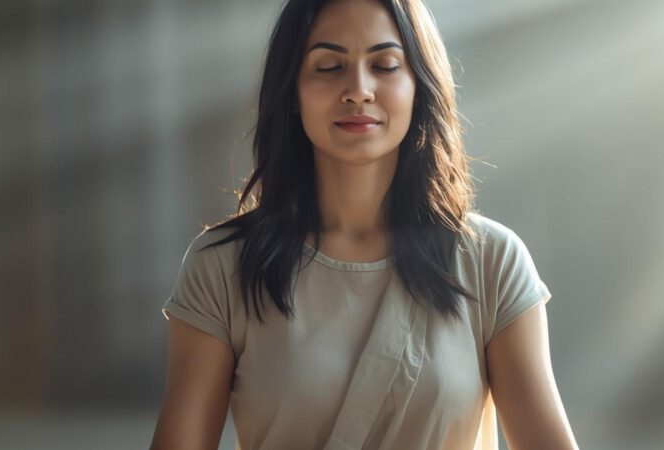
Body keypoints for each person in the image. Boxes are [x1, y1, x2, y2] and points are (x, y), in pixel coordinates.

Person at [150, 0, 579, 448]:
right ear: (293, 91)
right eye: (329, 66)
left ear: (420, 87)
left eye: (386, 65)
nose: (358, 89)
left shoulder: (492, 261)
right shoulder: (222, 266)